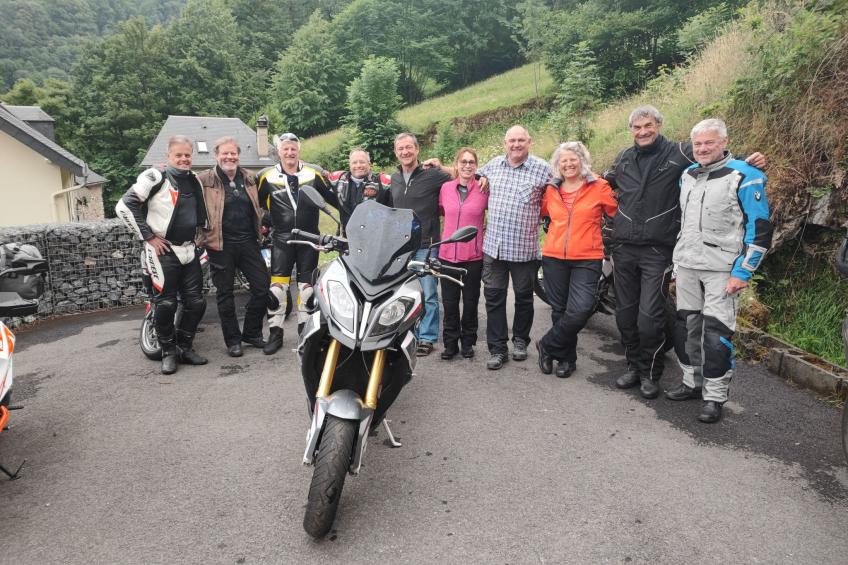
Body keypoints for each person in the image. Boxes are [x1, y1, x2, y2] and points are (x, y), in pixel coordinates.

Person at [603, 106, 765, 399]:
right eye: (637, 127)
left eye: (648, 125)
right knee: (625, 316)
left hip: (658, 249)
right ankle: (634, 367)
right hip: (624, 247)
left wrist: (749, 161)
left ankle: (651, 373)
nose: (643, 131)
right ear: (631, 130)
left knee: (649, 317)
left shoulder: (681, 152)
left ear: (659, 125)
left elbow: (715, 157)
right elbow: (604, 182)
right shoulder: (624, 158)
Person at [665, 119, 771, 423]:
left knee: (716, 336)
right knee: (686, 327)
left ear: (724, 142)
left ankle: (714, 397)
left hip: (722, 270)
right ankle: (691, 383)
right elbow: (683, 222)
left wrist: (744, 271)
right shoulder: (686, 175)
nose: (702, 149)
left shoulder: (746, 175)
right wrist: (676, 261)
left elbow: (760, 229)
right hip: (686, 266)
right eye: (697, 144)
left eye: (709, 143)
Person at [115, 135, 209, 374]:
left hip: (189, 249)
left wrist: (201, 232)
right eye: (179, 155)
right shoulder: (155, 176)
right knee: (166, 303)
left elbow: (197, 211)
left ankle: (185, 348)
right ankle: (167, 351)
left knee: (196, 302)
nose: (184, 159)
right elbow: (124, 206)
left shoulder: (194, 179)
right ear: (168, 156)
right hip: (162, 250)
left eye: (187, 155)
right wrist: (149, 237)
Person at [536, 142, 617, 378]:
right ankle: (566, 359)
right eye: (564, 161)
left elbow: (616, 213)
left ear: (582, 161)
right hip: (553, 257)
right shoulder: (551, 189)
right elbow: (541, 212)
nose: (569, 164)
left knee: (580, 309)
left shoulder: (599, 186)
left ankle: (547, 345)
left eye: (573, 159)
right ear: (557, 165)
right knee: (559, 309)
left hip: (587, 257)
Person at [478, 125, 552, 370]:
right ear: (505, 142)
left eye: (521, 140)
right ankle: (498, 349)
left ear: (529, 141)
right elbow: (469, 174)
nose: (516, 144)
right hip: (494, 248)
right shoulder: (493, 166)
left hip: (524, 249)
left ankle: (520, 341)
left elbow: (567, 183)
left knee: (523, 298)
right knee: (494, 299)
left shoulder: (543, 169)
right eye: (512, 140)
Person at [256, 132, 337, 354]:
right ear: (279, 151)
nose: (290, 152)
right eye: (286, 148)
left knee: (307, 289)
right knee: (277, 290)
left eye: (293, 148)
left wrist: (348, 224)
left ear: (298, 150)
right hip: (281, 238)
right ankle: (275, 333)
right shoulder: (265, 176)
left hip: (310, 238)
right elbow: (257, 204)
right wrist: (263, 224)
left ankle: (305, 333)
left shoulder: (315, 173)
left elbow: (336, 200)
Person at [197, 137, 270, 358]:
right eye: (225, 154)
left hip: (248, 241)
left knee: (262, 287)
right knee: (225, 294)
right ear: (216, 155)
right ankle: (233, 341)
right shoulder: (204, 180)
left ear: (239, 155)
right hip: (219, 244)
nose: (229, 157)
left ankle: (251, 332)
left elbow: (263, 205)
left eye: (233, 154)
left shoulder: (249, 178)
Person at [390, 133, 454, 357]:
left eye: (409, 147)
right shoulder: (394, 178)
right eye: (401, 149)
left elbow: (463, 175)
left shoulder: (432, 174)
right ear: (396, 152)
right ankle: (406, 332)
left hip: (426, 243)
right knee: (403, 291)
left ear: (417, 150)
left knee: (427, 292)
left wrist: (443, 166)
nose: (405, 152)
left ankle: (427, 337)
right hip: (400, 246)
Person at [437, 147, 488, 360]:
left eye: (471, 162)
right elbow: (441, 211)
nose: (467, 165)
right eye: (463, 162)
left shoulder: (485, 189)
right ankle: (450, 344)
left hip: (473, 257)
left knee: (470, 302)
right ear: (456, 164)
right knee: (449, 303)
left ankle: (468, 343)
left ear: (476, 166)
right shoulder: (446, 188)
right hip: (447, 254)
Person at [327, 148, 392, 233]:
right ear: (349, 165)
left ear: (369, 164)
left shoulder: (383, 182)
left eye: (362, 162)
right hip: (347, 239)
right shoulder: (337, 179)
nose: (358, 165)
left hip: (376, 238)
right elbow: (317, 176)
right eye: (354, 162)